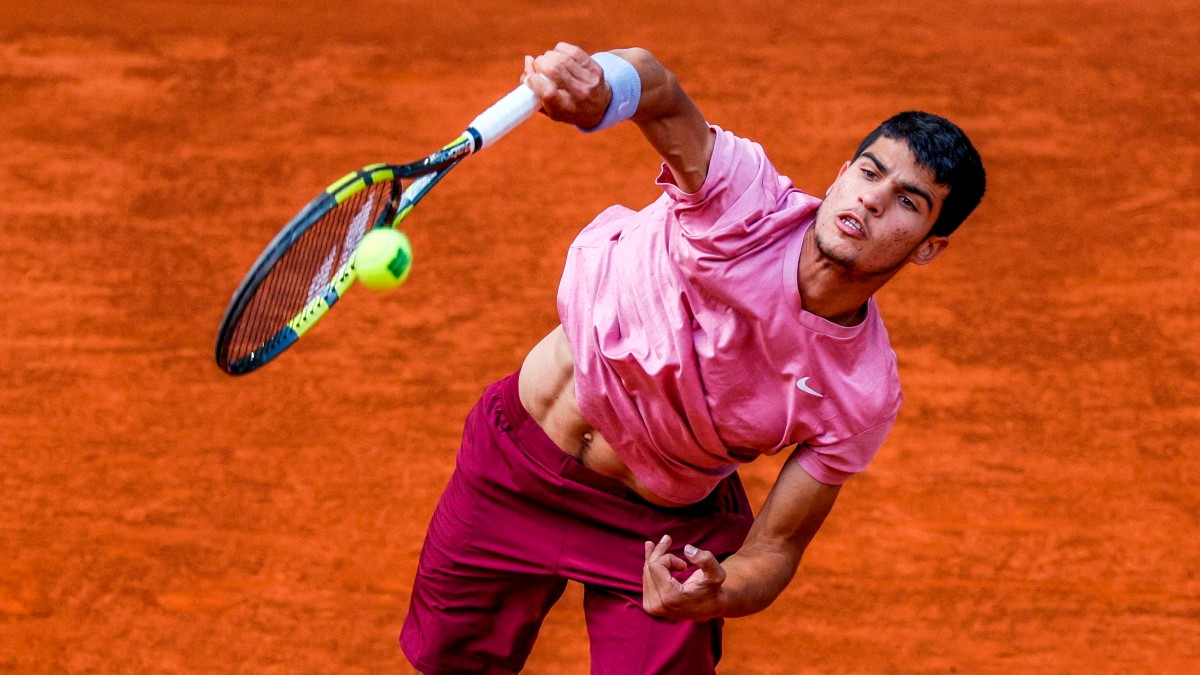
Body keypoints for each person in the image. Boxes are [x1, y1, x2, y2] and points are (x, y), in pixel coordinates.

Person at [400, 43, 986, 674]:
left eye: (908, 201)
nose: (872, 199)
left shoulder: (862, 390)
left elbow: (776, 549)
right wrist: (604, 88)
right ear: (843, 172)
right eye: (870, 174)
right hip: (515, 468)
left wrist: (720, 590)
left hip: (660, 529)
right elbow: (658, 88)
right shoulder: (743, 199)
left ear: (930, 247)